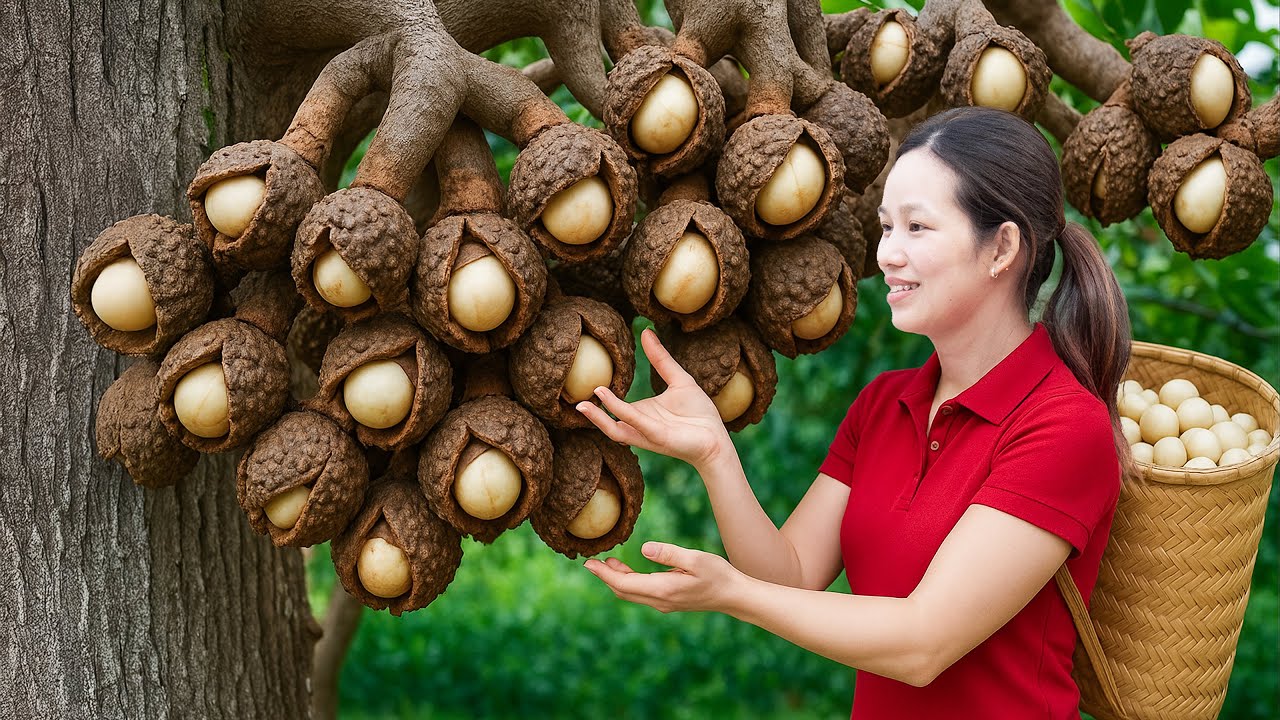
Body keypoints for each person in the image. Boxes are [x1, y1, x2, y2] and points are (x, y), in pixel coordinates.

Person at [574, 106, 1134, 718]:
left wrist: (732, 595)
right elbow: (791, 577)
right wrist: (714, 453)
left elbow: (923, 643)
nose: (888, 253)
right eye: (886, 227)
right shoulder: (885, 404)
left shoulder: (1063, 425)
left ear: (1001, 247)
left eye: (917, 227)